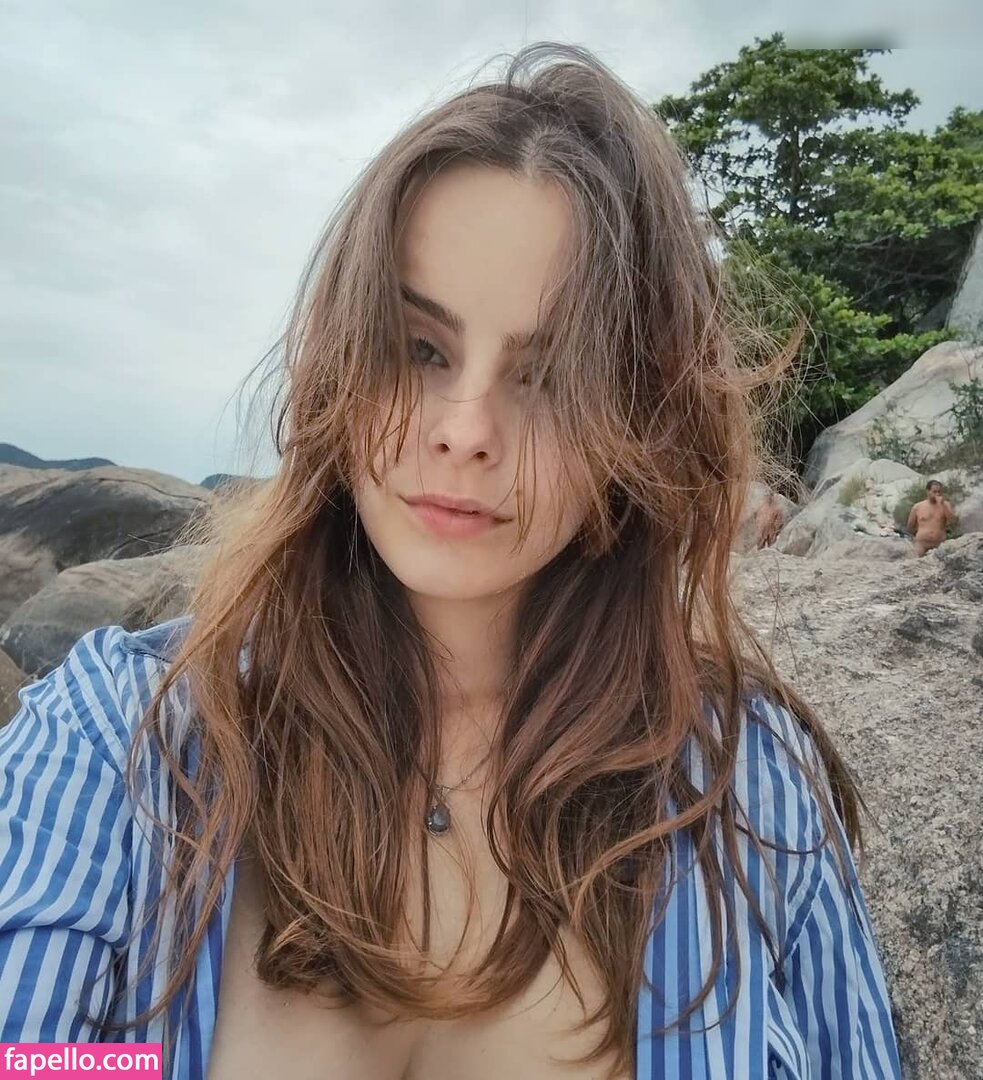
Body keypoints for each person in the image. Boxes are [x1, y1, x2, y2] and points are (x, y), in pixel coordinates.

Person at [0, 43, 902, 1080]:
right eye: (420, 348)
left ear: (642, 420)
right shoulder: (118, 744)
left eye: (551, 375)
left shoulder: (745, 787)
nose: (465, 431)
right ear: (341, 361)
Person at [906, 479, 957, 556]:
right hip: (922, 543)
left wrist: (943, 505)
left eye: (939, 492)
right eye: (934, 492)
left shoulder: (946, 505)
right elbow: (910, 527)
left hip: (939, 544)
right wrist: (920, 534)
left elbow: (953, 521)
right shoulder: (918, 507)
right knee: (915, 558)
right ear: (928, 491)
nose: (937, 494)